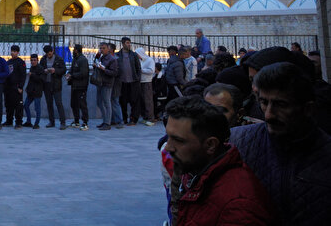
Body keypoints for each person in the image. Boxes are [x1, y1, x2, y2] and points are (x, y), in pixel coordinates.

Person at [231, 62, 331, 225]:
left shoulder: (326, 154)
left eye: (281, 104)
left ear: (308, 109)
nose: (269, 115)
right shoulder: (238, 142)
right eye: (264, 102)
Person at [163, 96, 274, 226]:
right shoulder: (195, 173)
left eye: (178, 140)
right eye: (168, 137)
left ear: (211, 145)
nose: (168, 148)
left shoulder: (237, 206)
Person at [40, 44, 67, 129]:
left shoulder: (59, 59)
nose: (49, 55)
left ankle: (63, 122)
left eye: (50, 53)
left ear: (52, 51)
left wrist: (55, 71)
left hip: (56, 85)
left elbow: (63, 70)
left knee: (59, 103)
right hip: (47, 84)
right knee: (49, 104)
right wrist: (44, 71)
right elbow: (40, 70)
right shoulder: (43, 59)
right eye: (47, 54)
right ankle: (51, 121)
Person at [116, 37, 142, 125]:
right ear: (123, 44)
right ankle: (124, 118)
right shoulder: (118, 55)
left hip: (133, 82)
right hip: (122, 82)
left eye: (129, 43)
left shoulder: (134, 55)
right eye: (127, 43)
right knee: (122, 102)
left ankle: (133, 119)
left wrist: (138, 78)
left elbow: (138, 68)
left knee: (134, 102)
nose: (129, 44)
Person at [93, 43, 118, 130]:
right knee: (99, 102)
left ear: (108, 49)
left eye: (103, 48)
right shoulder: (101, 57)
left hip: (107, 83)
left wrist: (104, 69)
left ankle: (107, 123)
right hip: (100, 82)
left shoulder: (112, 59)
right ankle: (105, 121)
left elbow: (114, 73)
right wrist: (96, 65)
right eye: (101, 48)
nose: (102, 50)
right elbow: (96, 64)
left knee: (107, 103)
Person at [66, 43, 89, 130]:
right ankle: (76, 121)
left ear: (77, 50)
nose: (73, 51)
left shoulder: (83, 60)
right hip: (74, 86)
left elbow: (83, 73)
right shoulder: (75, 59)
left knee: (82, 105)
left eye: (74, 49)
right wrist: (68, 74)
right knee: (74, 104)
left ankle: (85, 122)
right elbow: (72, 70)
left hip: (81, 86)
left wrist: (72, 76)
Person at [4, 45, 26, 128]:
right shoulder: (8, 62)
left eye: (14, 51)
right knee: (8, 105)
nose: (12, 53)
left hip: (16, 87)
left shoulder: (20, 62)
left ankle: (19, 122)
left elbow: (23, 75)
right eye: (12, 51)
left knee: (18, 105)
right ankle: (9, 121)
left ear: (17, 52)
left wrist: (20, 86)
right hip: (8, 87)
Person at [136, 47, 157, 126]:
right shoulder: (140, 60)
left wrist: (141, 70)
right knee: (142, 101)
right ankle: (145, 117)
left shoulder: (149, 60)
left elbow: (151, 70)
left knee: (148, 100)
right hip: (140, 82)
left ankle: (150, 118)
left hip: (147, 82)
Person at [23, 54, 44, 128]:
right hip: (31, 91)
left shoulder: (40, 68)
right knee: (26, 105)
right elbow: (31, 80)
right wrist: (27, 88)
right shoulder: (32, 68)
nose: (33, 62)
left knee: (37, 108)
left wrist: (32, 74)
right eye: (31, 60)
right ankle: (28, 121)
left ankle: (36, 124)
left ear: (37, 60)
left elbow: (41, 79)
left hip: (37, 91)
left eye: (34, 60)